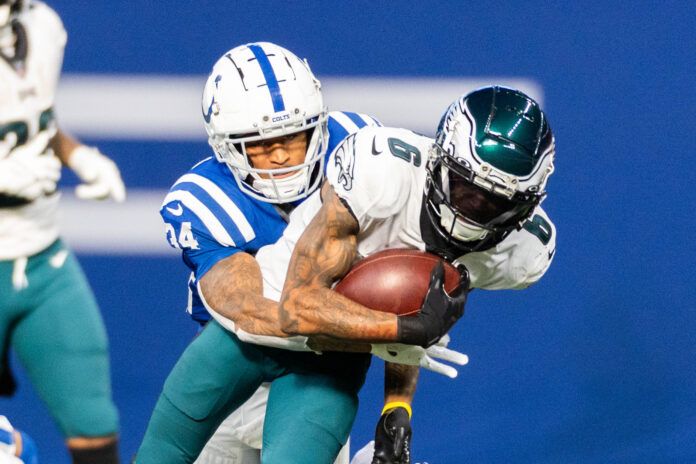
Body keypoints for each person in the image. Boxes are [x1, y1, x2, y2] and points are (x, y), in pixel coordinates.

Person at [251, 85, 557, 464]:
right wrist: (404, 331)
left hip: (321, 379)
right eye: (464, 190)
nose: (474, 212)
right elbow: (295, 310)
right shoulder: (382, 176)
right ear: (439, 161)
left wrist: (397, 407)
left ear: (523, 210)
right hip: (253, 347)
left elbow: (408, 298)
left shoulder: (521, 253)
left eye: (496, 204)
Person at [138, 42, 407, 464]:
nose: (281, 155)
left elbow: (404, 278)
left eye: (293, 136)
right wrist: (386, 328)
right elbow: (251, 311)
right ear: (226, 147)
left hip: (320, 377)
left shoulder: (361, 153)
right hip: (234, 372)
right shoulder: (205, 199)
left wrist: (397, 403)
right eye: (260, 145)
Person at [0, 1, 124, 463]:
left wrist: (77, 156)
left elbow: (33, 119)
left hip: (43, 257)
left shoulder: (42, 25)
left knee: (94, 426)